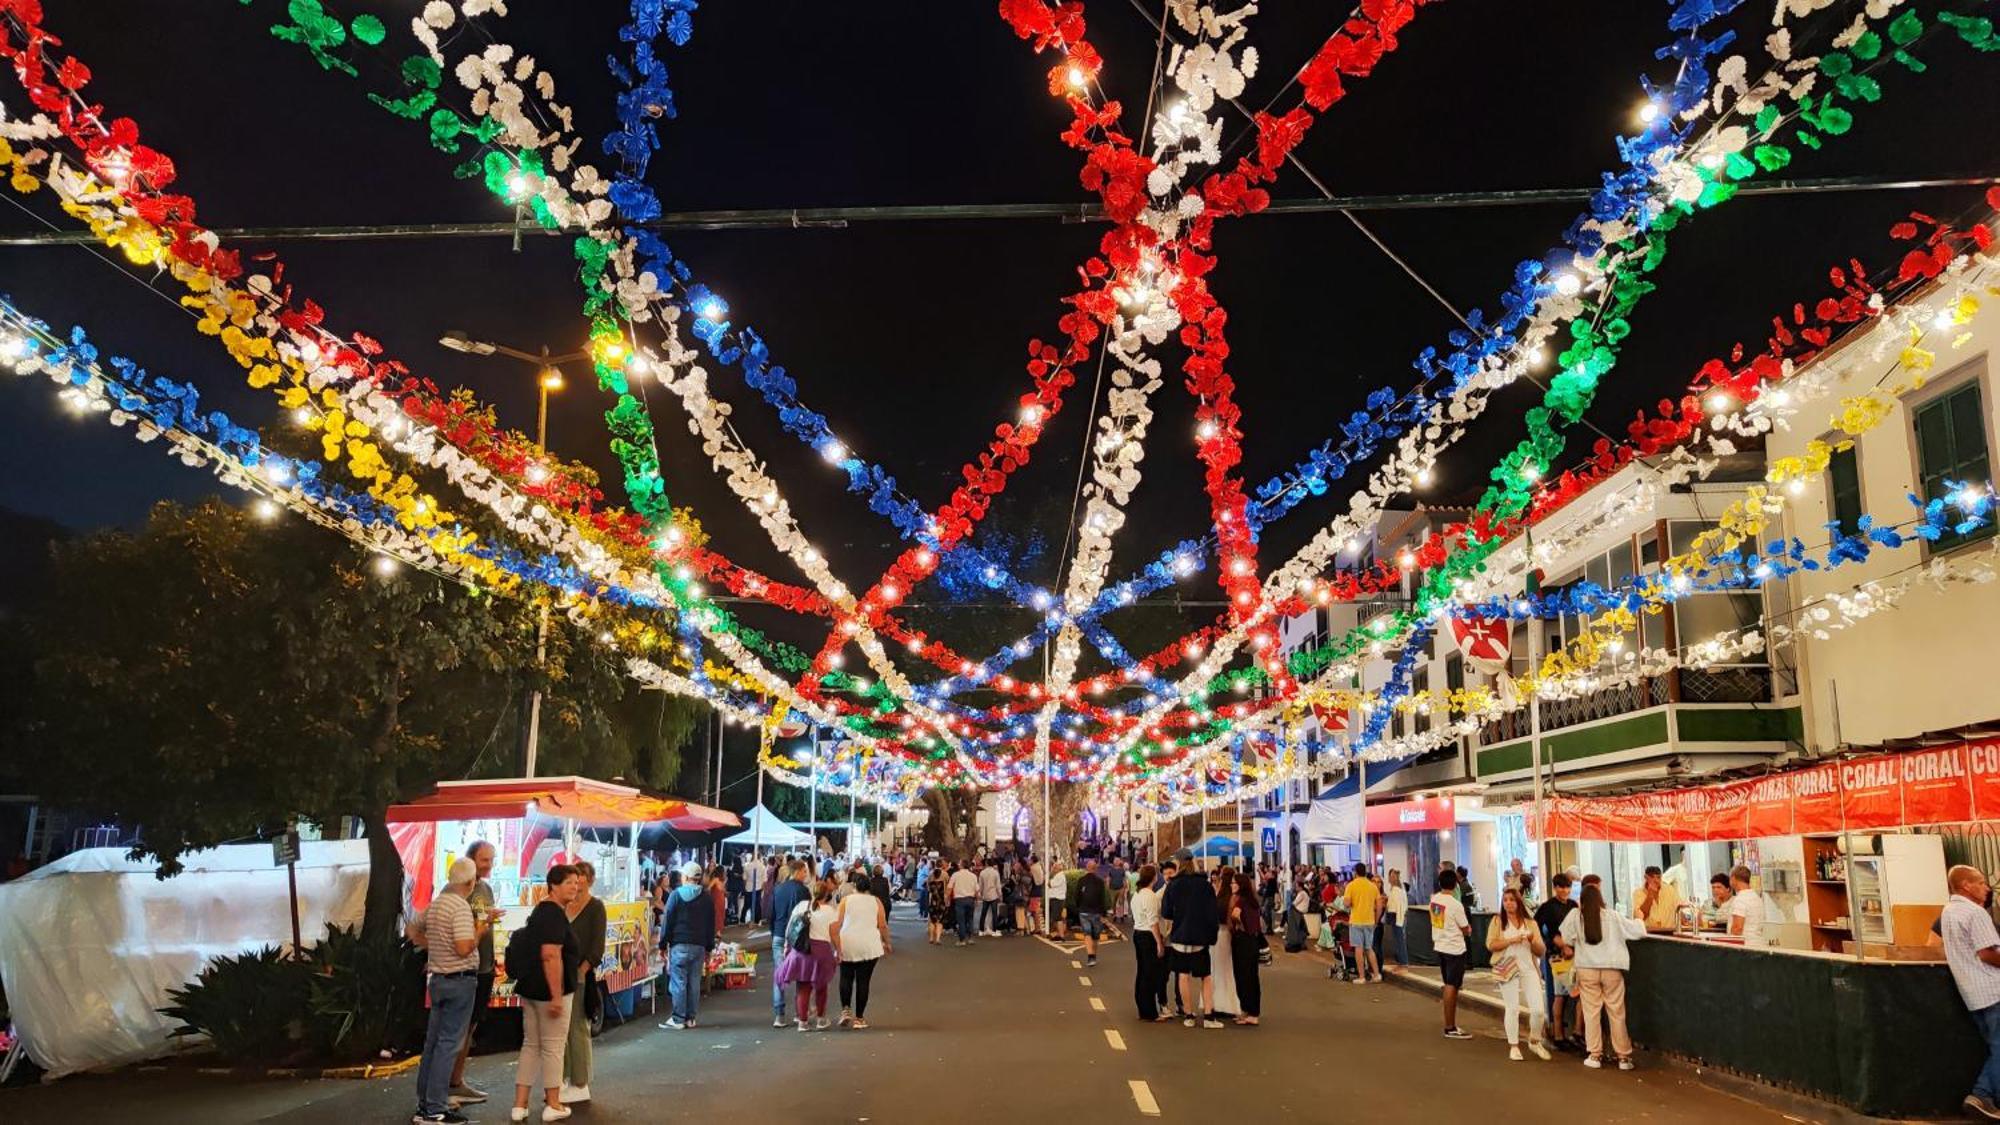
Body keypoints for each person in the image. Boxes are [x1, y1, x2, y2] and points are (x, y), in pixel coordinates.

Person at [411, 857, 489, 1124]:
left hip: (438, 979)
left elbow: (412, 929)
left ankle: (425, 1104)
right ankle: (435, 1108)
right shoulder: (459, 907)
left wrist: (432, 946)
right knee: (448, 1044)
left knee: (433, 1043)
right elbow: (464, 947)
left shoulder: (437, 904)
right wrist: (480, 931)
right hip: (459, 980)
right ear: (469, 882)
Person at [510, 865, 582, 1123]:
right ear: (554, 885)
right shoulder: (553, 914)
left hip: (529, 989)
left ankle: (520, 1104)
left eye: (576, 882)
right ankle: (553, 1102)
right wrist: (556, 995)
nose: (575, 887)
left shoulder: (540, 911)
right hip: (549, 991)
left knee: (531, 1045)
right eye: (569, 882)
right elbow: (550, 955)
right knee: (553, 1047)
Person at [1559, 879, 1648, 1070]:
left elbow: (1566, 937)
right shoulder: (1613, 916)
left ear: (1581, 900)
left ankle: (1595, 1055)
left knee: (1591, 1013)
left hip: (1587, 969)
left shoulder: (1576, 916)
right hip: (1612, 970)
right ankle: (1623, 1057)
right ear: (1600, 899)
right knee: (1617, 1013)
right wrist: (1639, 917)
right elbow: (1638, 931)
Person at [1941, 866, 2000, 1119]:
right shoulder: (1975, 913)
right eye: (1981, 883)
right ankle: (1982, 1094)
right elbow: (1987, 953)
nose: (1986, 888)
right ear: (1966, 885)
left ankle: (1982, 1095)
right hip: (1992, 989)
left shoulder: (1948, 911)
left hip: (1972, 993)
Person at [445, 840, 497, 1110]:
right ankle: (443, 1089)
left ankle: (456, 1081)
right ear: (470, 860)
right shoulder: (454, 891)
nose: (489, 865)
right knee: (456, 1029)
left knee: (471, 1026)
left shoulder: (486, 889)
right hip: (462, 969)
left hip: (485, 966)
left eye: (491, 859)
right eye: (484, 859)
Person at [1159, 848, 1223, 1029]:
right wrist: (1212, 934)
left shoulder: (1174, 885)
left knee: (1183, 976)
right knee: (1206, 976)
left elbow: (1166, 912)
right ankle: (1209, 1016)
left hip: (1180, 936)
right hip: (1201, 936)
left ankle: (1188, 1014)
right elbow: (1212, 912)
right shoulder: (1204, 885)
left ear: (1178, 864)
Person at [560, 862, 606, 1105]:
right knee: (561, 1029)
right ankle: (564, 1077)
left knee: (577, 1026)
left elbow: (597, 946)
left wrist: (582, 970)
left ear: (590, 880)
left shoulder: (596, 907)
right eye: (573, 878)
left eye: (581, 878)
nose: (577, 882)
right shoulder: (564, 904)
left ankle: (581, 1082)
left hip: (580, 975)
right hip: (559, 973)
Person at [1487, 886, 1551, 1062]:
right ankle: (1514, 1045)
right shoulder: (1497, 921)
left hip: (1528, 967)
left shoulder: (1530, 924)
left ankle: (1534, 1040)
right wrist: (1510, 941)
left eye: (1512, 900)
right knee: (1512, 1007)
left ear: (1519, 902)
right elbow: (1491, 945)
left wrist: (1531, 939)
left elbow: (1541, 951)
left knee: (1538, 1010)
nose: (1508, 903)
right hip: (1506, 966)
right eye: (1505, 900)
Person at [658, 860, 717, 1030]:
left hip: (679, 945)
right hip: (699, 946)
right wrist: (709, 947)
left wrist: (663, 944)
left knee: (678, 982)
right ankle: (691, 1018)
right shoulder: (706, 898)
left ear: (685, 877)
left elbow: (667, 921)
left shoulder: (676, 895)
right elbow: (710, 924)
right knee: (694, 982)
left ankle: (678, 1018)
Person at [775, 881, 840, 1031]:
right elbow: (834, 934)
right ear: (827, 895)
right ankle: (821, 1020)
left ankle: (802, 1022)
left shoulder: (801, 906)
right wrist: (839, 951)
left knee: (803, 988)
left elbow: (790, 929)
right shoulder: (830, 911)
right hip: (822, 952)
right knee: (821, 986)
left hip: (801, 951)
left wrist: (787, 948)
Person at [833, 874, 891, 1029]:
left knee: (845, 977)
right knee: (863, 981)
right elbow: (883, 925)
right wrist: (887, 942)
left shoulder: (846, 900)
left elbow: (837, 922)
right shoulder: (876, 902)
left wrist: (835, 942)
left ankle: (845, 1009)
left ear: (854, 887)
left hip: (848, 942)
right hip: (869, 944)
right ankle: (859, 1018)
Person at [1535, 872, 1580, 1052]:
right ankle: (1558, 1033)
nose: (1565, 890)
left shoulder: (1573, 905)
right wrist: (1553, 941)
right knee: (1560, 995)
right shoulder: (1547, 907)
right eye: (1561, 887)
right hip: (1557, 956)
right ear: (1555, 888)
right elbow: (1536, 927)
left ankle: (1568, 1033)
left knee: (1568, 995)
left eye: (1568, 887)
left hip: (1574, 954)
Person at [1430, 867, 1474, 1040]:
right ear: (1455, 884)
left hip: (1440, 945)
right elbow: (1465, 929)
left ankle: (1451, 1024)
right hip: (1454, 948)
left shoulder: (1434, 900)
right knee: (1452, 985)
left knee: (1449, 983)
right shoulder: (1456, 905)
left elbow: (1437, 921)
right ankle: (1450, 1026)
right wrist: (1468, 929)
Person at [768, 859, 810, 1028]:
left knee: (780, 975)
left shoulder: (777, 889)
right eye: (805, 871)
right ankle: (800, 1014)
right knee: (801, 975)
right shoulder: (804, 891)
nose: (806, 874)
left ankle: (779, 1015)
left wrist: (774, 932)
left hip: (778, 934)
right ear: (798, 871)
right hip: (797, 937)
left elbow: (771, 913)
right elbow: (807, 916)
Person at [1130, 864, 1170, 1022]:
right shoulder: (1150, 895)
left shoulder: (1137, 894)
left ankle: (1143, 1008)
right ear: (1154, 877)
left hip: (1137, 932)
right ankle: (1150, 1011)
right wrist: (1159, 943)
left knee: (1142, 972)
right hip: (1148, 935)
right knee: (1150, 974)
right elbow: (1153, 922)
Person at [1227, 870, 1263, 1026]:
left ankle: (1250, 1012)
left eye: (1234, 883)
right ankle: (1249, 1011)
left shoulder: (1241, 901)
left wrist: (1236, 924)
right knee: (1250, 976)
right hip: (1252, 940)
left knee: (1244, 976)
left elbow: (1235, 916)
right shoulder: (1253, 900)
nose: (1231, 885)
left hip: (1243, 941)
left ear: (1240, 885)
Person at [1207, 867, 1241, 1019]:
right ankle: (1228, 1004)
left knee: (1216, 970)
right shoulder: (1232, 898)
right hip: (1226, 934)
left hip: (1215, 934)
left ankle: (1214, 1002)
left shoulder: (1219, 896)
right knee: (1228, 970)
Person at [1345, 864, 1383, 984]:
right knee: (1369, 948)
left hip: (1356, 921)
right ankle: (1377, 974)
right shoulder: (1372, 887)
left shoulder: (1351, 885)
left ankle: (1361, 976)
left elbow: (1346, 903)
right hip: (1370, 921)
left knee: (1358, 949)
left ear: (1355, 872)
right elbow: (1379, 906)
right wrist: (1376, 921)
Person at [1074, 857, 1110, 968]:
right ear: (1096, 869)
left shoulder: (1081, 881)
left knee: (1087, 933)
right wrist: (1104, 912)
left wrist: (1078, 906)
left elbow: (1077, 896)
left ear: (1086, 868)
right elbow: (1102, 898)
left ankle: (1091, 956)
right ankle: (1093, 954)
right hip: (1096, 911)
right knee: (1095, 935)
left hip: (1084, 910)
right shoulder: (1100, 882)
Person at [1632, 865, 1684, 934]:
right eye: (1652, 877)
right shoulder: (1638, 893)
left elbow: (1679, 910)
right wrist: (1650, 896)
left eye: (1658, 877)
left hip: (1669, 933)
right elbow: (1640, 918)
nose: (1656, 880)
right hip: (1649, 935)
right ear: (1646, 878)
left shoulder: (1670, 890)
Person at [1726, 865, 1768, 946]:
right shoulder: (1756, 897)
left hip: (1746, 946)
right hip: (1759, 943)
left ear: (1733, 878)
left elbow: (1737, 928)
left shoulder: (1741, 899)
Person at [948, 861, 979, 946]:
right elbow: (976, 889)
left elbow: (949, 888)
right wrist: (976, 900)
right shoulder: (973, 876)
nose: (958, 864)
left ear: (961, 865)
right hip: (970, 899)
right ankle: (970, 938)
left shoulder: (955, 875)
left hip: (959, 900)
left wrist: (947, 898)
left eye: (959, 863)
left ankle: (962, 940)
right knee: (970, 919)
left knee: (961, 920)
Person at [1383, 868, 1409, 969]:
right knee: (1397, 940)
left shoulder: (1398, 890)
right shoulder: (1395, 889)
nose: (1392, 878)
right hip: (1394, 916)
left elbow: (1400, 907)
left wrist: (1399, 920)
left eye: (1394, 876)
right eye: (1391, 876)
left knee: (1400, 940)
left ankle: (1403, 963)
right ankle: (1401, 962)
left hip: (1398, 917)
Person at [977, 858, 1004, 936]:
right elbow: (998, 885)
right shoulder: (996, 873)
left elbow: (980, 885)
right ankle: (994, 931)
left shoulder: (982, 873)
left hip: (985, 895)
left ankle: (981, 930)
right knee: (994, 913)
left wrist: (980, 894)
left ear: (986, 863)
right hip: (994, 895)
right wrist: (1000, 895)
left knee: (983, 913)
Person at [925, 863, 949, 944]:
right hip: (941, 902)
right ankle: (938, 939)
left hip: (933, 902)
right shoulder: (943, 881)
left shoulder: (931, 881)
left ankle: (931, 938)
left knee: (932, 921)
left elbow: (928, 888)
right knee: (939, 921)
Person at [743, 854, 766, 926]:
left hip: (748, 887)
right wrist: (762, 888)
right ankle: (757, 920)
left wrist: (745, 886)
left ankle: (742, 919)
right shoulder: (762, 866)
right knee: (757, 905)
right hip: (758, 887)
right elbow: (764, 880)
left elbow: (744, 878)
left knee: (746, 904)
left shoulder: (747, 866)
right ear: (759, 857)